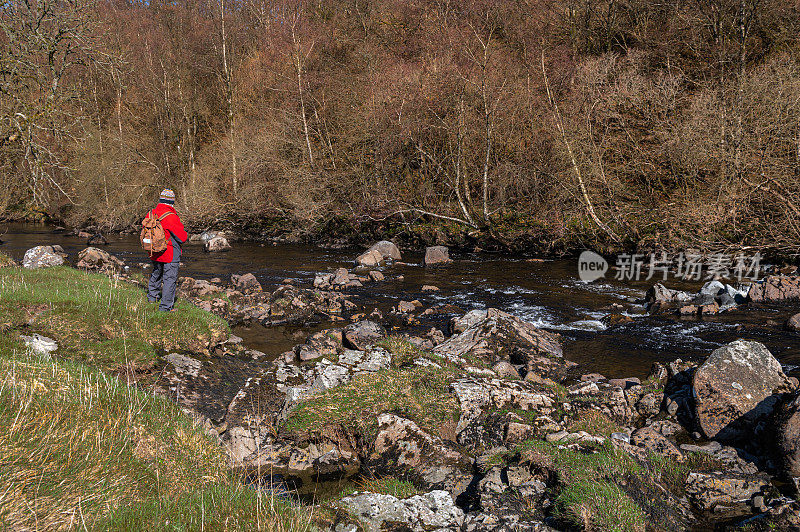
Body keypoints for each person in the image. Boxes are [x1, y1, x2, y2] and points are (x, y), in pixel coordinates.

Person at [146, 188, 188, 312]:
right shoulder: (171, 216)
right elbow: (182, 237)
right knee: (170, 279)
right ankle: (165, 307)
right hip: (169, 253)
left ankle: (152, 298)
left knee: (156, 273)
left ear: (160, 200)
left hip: (154, 251)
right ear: (171, 202)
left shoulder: (150, 213)